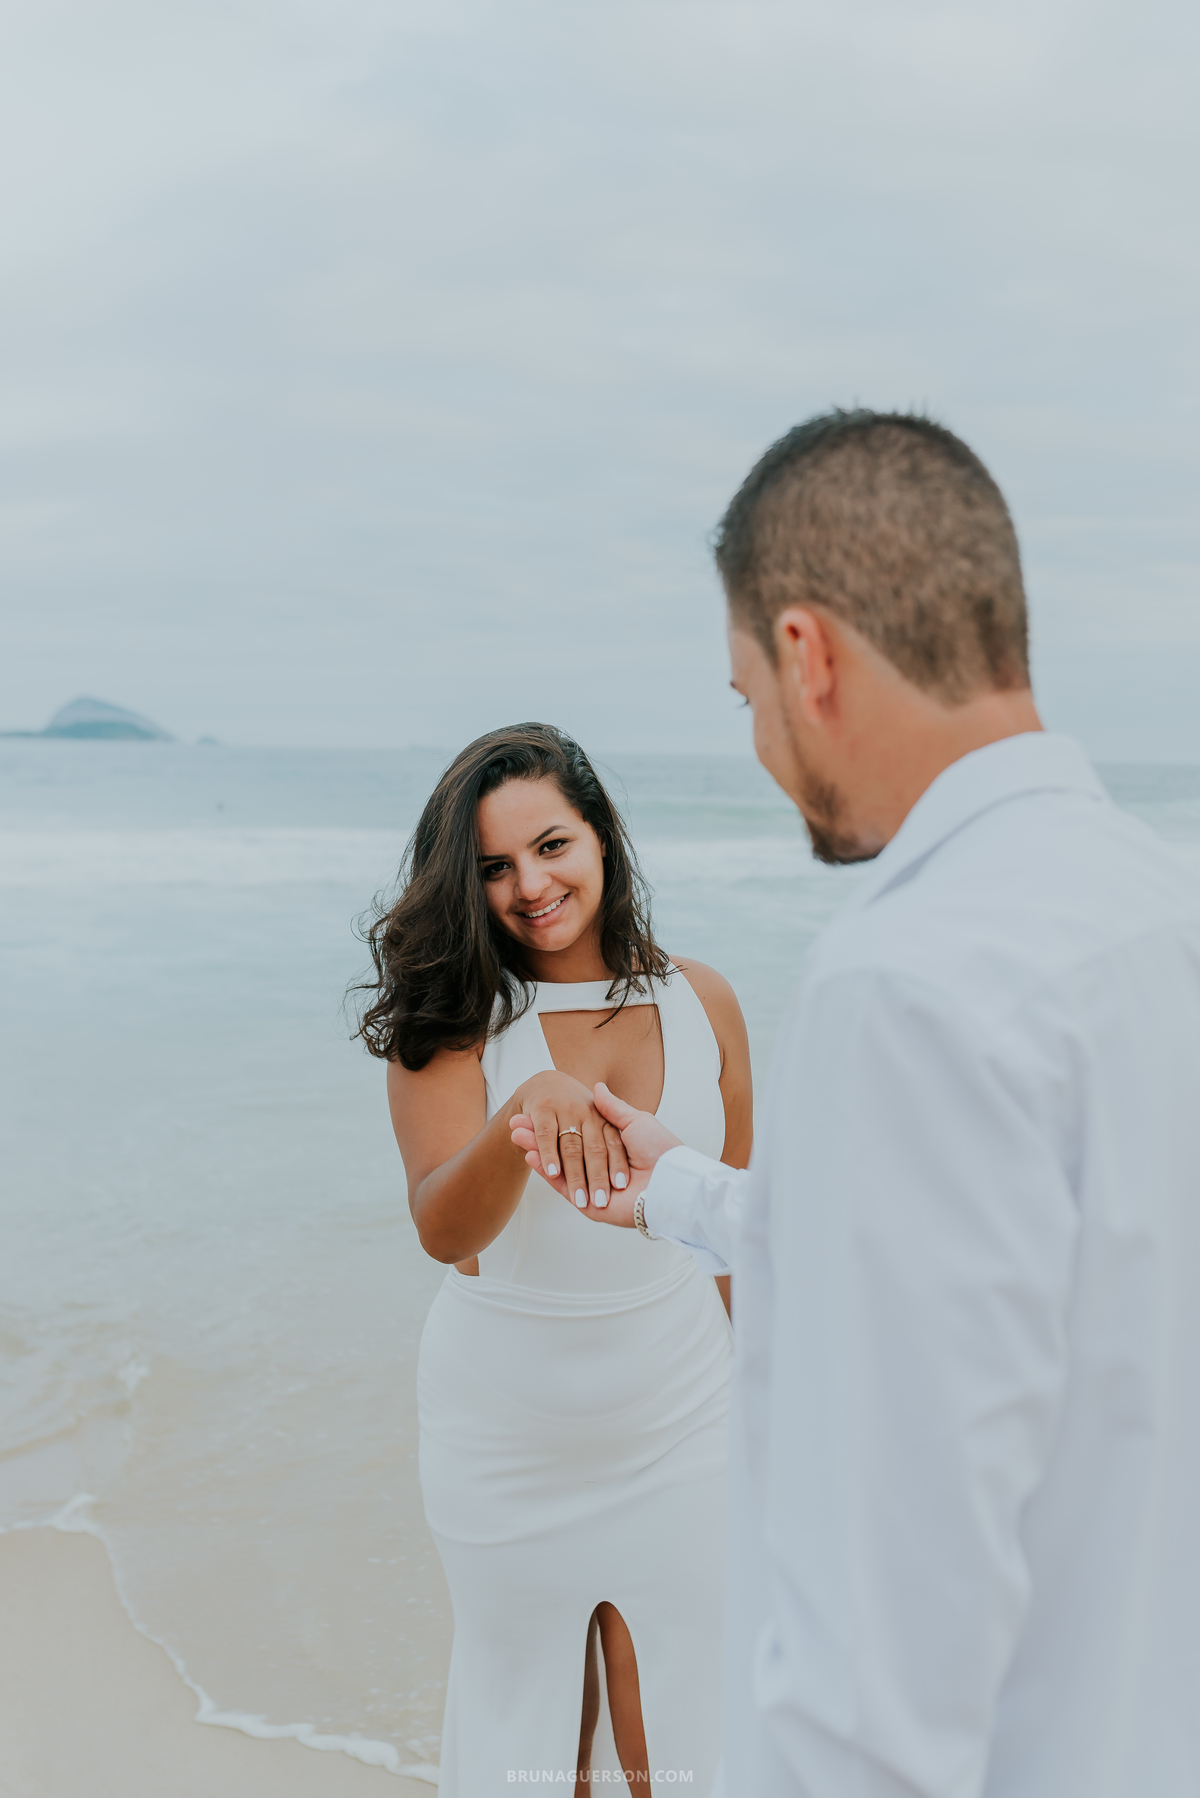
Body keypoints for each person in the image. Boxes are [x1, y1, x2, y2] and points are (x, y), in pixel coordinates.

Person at [513, 411, 1200, 1797]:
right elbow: (1024, 1267)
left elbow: (881, 1631)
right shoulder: (1160, 911)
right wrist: (687, 1190)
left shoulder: (907, 979)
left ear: (807, 653)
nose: (761, 743)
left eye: (743, 694)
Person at [356, 723, 751, 1792]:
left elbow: (730, 1231)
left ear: (601, 840)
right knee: (546, 1733)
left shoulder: (705, 1001)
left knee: (679, 1719)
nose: (531, 884)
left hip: (684, 1416)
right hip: (506, 1434)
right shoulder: (452, 1021)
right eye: (494, 867)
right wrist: (522, 1107)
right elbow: (445, 1228)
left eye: (552, 845)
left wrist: (777, 1402)